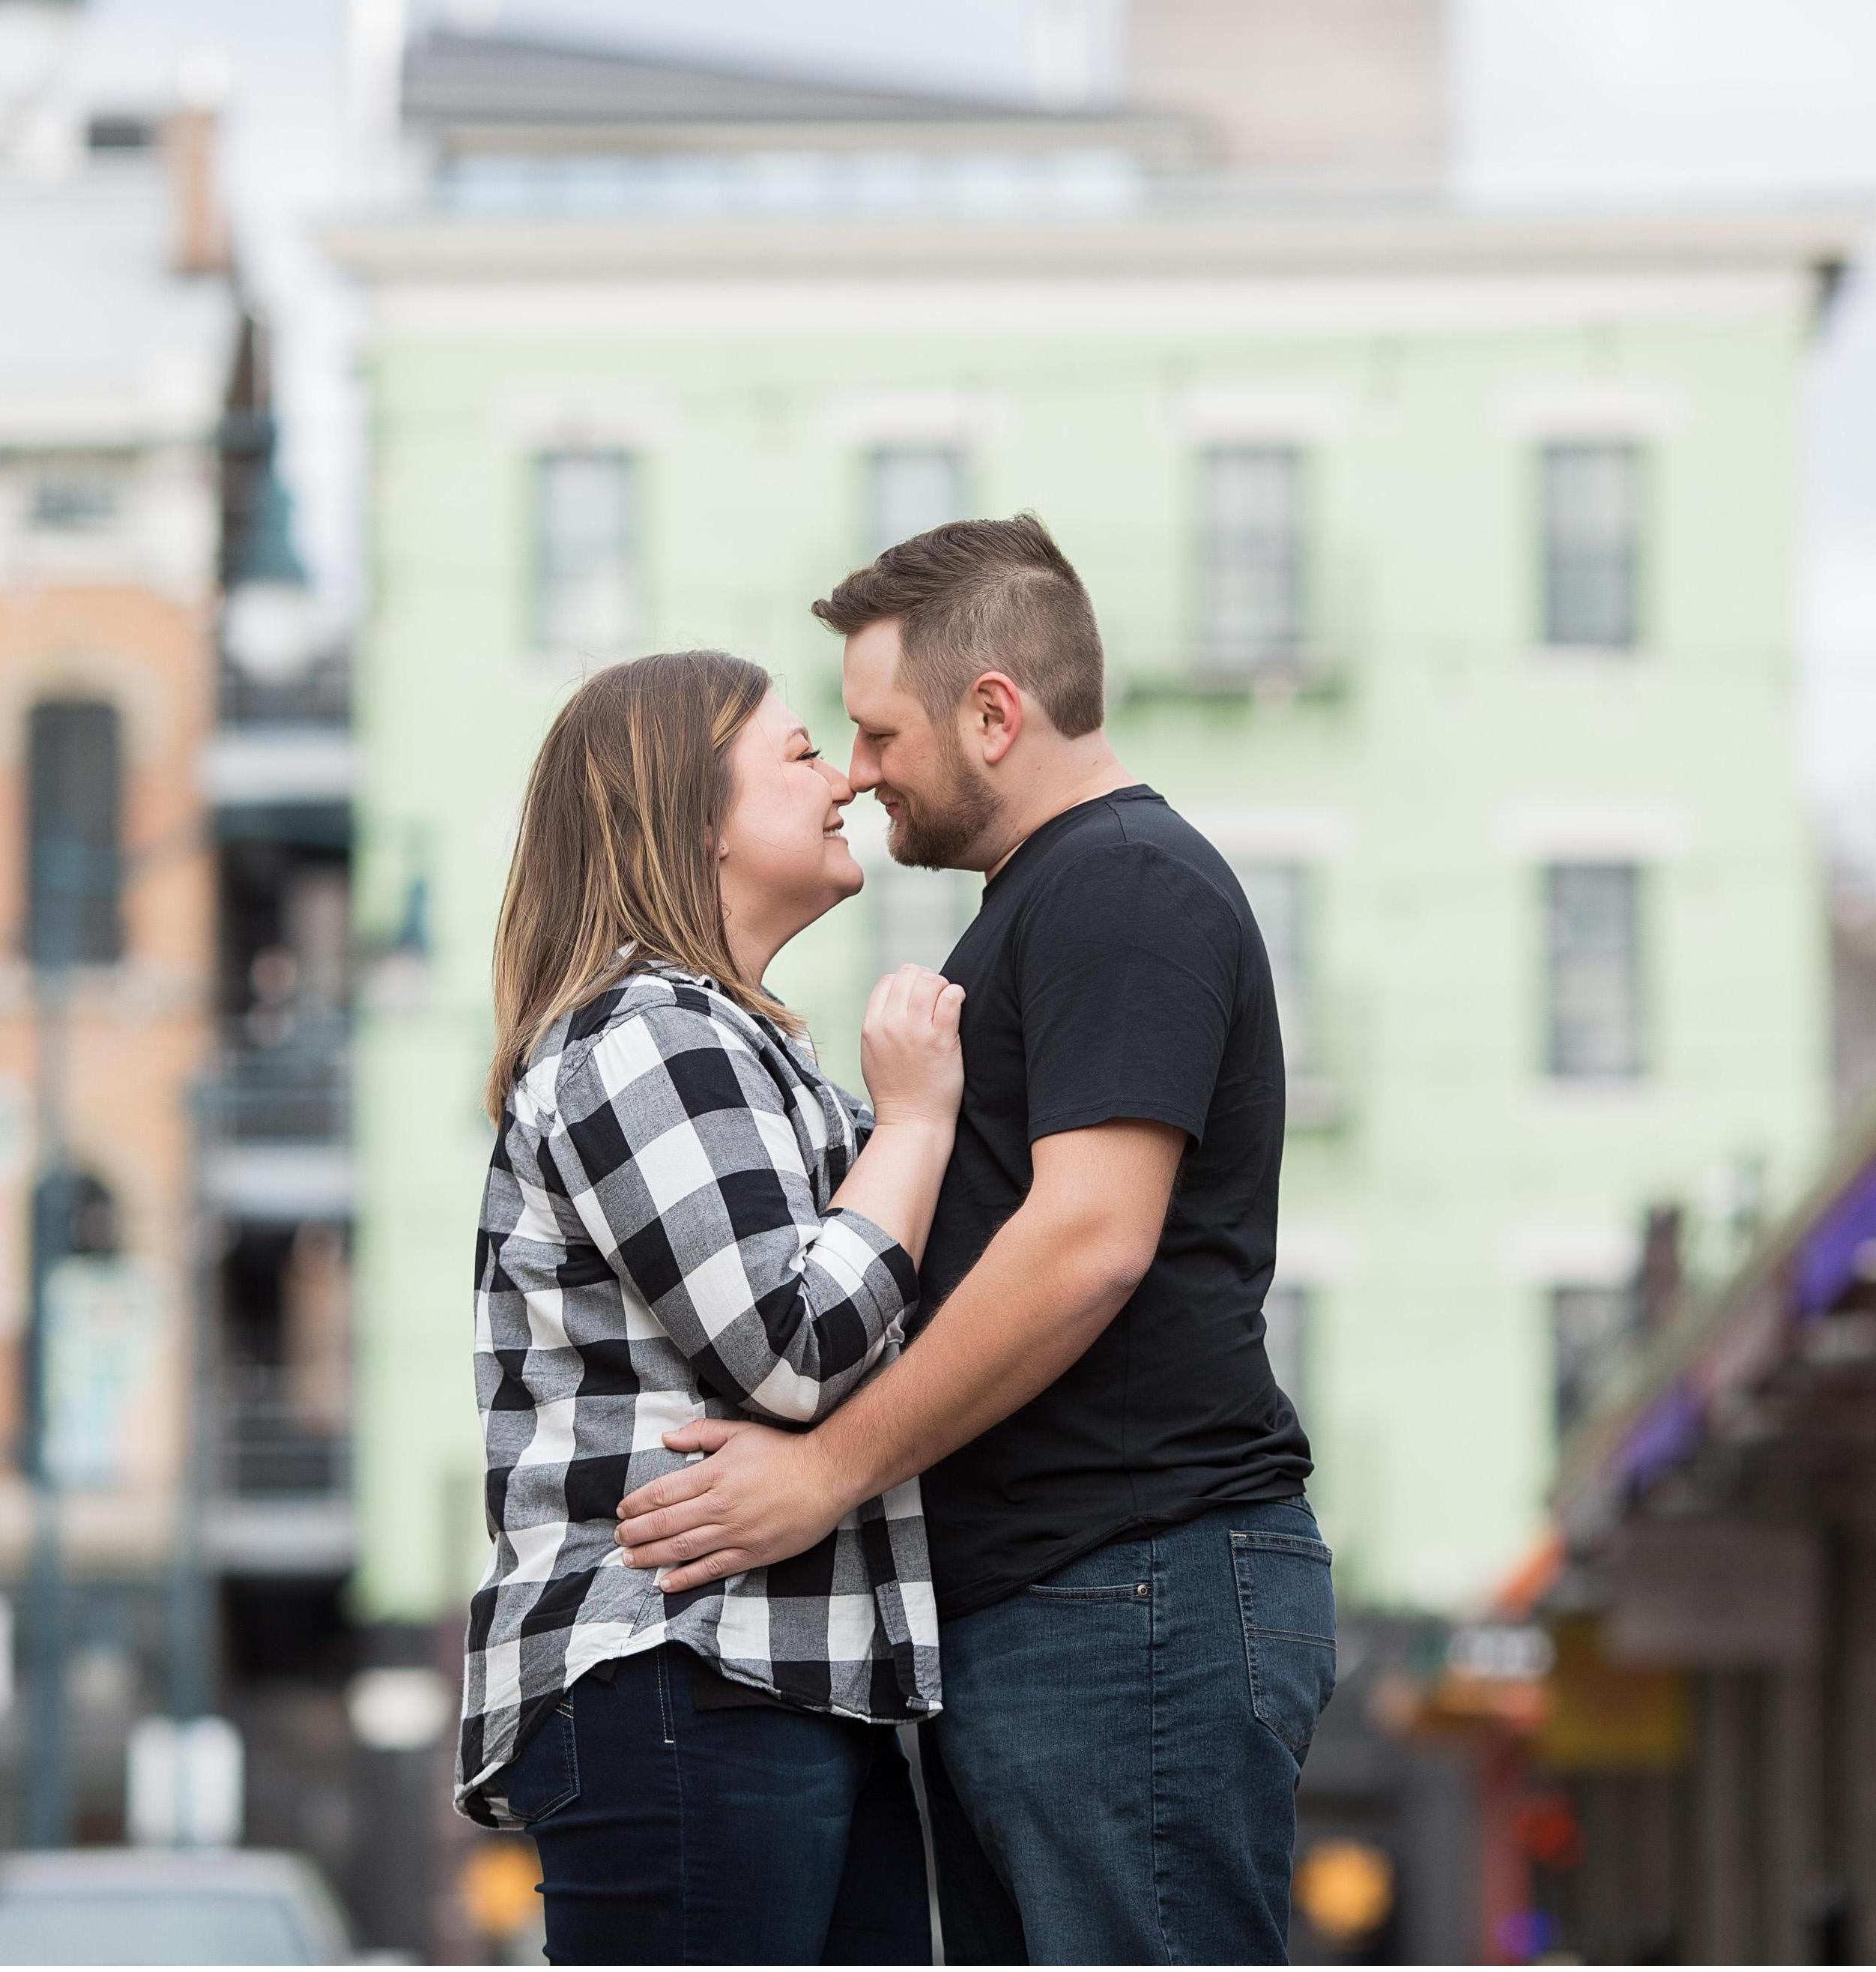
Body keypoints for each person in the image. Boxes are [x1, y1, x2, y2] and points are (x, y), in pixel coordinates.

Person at [616, 517, 1334, 1966]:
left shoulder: (1122, 886)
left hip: (1134, 1590)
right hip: (1076, 1602)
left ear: (993, 713)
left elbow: (1089, 1243)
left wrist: (823, 1472)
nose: (861, 769)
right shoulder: (1049, 903)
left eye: (879, 730)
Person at [464, 648, 964, 1966]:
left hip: (780, 1681)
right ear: (695, 817)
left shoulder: (738, 1048)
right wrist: (913, 1121)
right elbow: (796, 1348)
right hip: (688, 1673)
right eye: (800, 755)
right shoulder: (644, 1036)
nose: (845, 776)